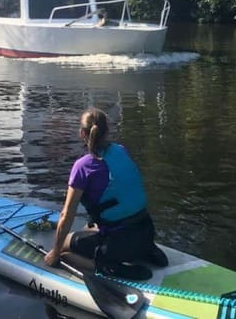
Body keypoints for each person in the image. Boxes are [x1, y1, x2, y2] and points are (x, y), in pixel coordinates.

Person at [43, 108, 168, 280]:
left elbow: (66, 215)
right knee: (89, 228)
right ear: (107, 131)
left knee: (64, 248)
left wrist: (55, 252)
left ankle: (110, 268)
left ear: (82, 133)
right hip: (146, 231)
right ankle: (145, 251)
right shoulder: (121, 150)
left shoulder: (83, 166)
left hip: (119, 243)